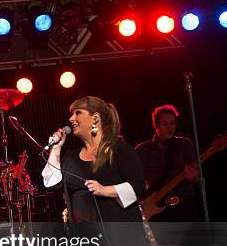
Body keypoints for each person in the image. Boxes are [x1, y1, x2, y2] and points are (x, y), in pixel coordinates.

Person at [42, 96, 145, 224]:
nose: (71, 118)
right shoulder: (71, 157)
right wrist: (56, 149)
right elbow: (51, 184)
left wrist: (105, 190)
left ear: (95, 118)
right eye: (72, 114)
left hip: (118, 235)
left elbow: (138, 187)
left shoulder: (118, 148)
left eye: (78, 113)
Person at [135, 105, 200, 222]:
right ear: (156, 126)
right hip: (155, 212)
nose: (170, 127)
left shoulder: (185, 145)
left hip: (184, 208)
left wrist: (193, 177)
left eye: (172, 123)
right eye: (165, 124)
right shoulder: (142, 150)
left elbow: (197, 179)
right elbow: (136, 182)